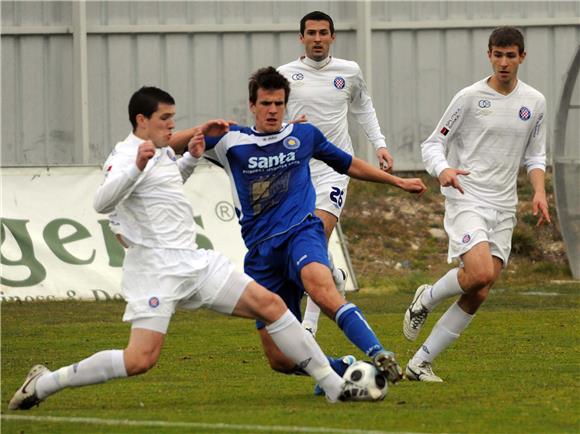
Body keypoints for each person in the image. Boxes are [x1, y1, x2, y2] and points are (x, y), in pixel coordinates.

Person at [8, 87, 380, 411]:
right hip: (156, 271)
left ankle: (335, 388)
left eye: (173, 118)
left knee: (273, 307)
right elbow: (102, 203)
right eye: (165, 118)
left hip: (194, 261)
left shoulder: (162, 153)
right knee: (140, 359)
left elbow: (167, 188)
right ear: (142, 119)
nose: (173, 126)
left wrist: (190, 158)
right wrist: (136, 168)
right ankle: (43, 383)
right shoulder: (125, 156)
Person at [185, 67, 427, 385]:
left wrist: (396, 180)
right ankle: (345, 367)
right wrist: (201, 130)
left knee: (320, 286)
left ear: (285, 103)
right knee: (280, 360)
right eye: (266, 103)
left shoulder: (303, 136)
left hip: (302, 232)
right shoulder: (230, 141)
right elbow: (177, 143)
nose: (272, 110)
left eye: (278, 103)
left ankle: (379, 353)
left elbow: (349, 163)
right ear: (252, 105)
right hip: (262, 254)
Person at [403, 27, 550, 382]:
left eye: (510, 56)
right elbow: (432, 144)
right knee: (480, 272)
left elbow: (535, 155)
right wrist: (443, 170)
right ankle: (427, 297)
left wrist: (539, 192)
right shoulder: (469, 97)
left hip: (504, 206)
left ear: (522, 58)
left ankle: (420, 362)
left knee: (480, 288)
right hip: (467, 197)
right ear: (489, 55)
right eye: (497, 55)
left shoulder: (535, 102)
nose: (503, 63)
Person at [278, 11, 394, 337]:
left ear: (332, 37)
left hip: (334, 169)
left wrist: (380, 145)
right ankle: (333, 275)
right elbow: (269, 121)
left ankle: (309, 327)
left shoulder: (349, 72)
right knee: (302, 247)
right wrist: (288, 128)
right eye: (311, 33)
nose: (317, 38)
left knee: (315, 238)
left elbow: (364, 108)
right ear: (301, 38)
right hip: (297, 171)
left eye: (323, 33)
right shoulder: (284, 75)